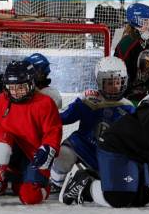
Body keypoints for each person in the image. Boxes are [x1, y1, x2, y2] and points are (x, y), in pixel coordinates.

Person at [50, 56, 135, 192]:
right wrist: (44, 115)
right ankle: (56, 183)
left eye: (118, 82)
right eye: (109, 82)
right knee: (64, 154)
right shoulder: (88, 99)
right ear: (100, 82)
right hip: (83, 146)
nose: (114, 87)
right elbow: (65, 117)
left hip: (109, 155)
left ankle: (86, 181)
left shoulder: (129, 108)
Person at [0, 60, 62, 206]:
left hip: (34, 156)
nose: (15, 92)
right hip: (13, 152)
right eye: (11, 87)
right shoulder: (2, 100)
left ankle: (42, 185)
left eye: (21, 87)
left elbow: (53, 132)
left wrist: (48, 149)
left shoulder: (45, 103)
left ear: (31, 84)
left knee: (29, 196)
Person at [114, 3, 149, 103]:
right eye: (146, 21)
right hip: (129, 97)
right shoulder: (127, 43)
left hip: (143, 94)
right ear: (135, 21)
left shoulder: (147, 41)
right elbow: (119, 73)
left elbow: (148, 66)